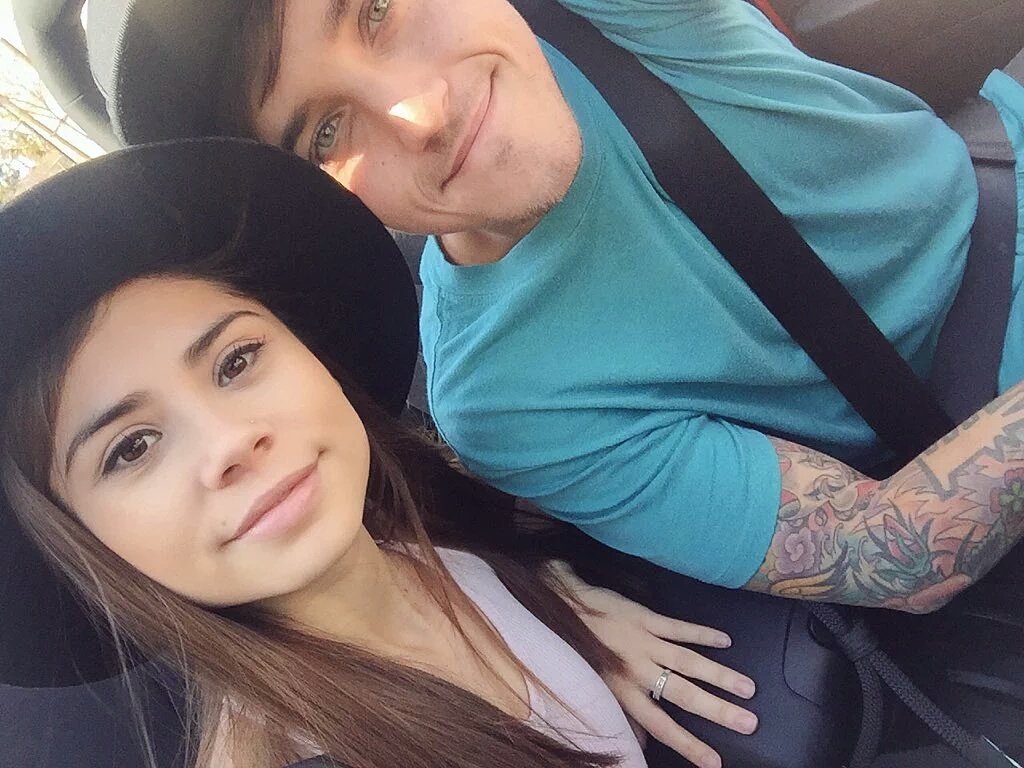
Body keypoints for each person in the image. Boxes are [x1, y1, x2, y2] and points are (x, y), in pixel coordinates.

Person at [85, 0, 1024, 614]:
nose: (421, 114)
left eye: (376, 9)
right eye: (327, 132)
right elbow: (898, 552)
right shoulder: (504, 396)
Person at [0, 139, 766, 768]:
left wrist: (566, 610)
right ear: (77, 537)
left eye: (236, 361)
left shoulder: (434, 537)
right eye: (131, 448)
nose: (231, 441)